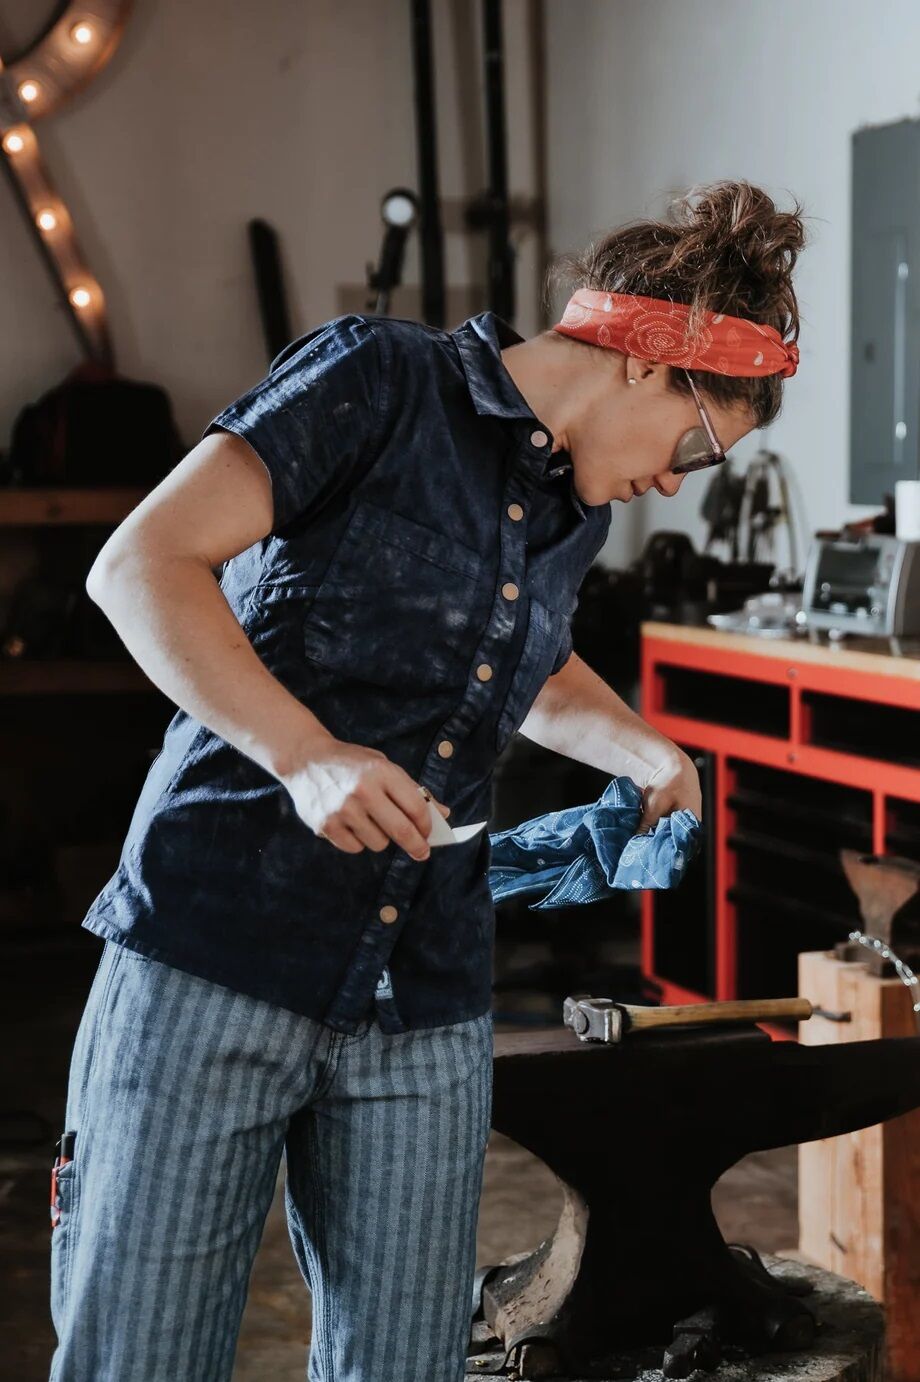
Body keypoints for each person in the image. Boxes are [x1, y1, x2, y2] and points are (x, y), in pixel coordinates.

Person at [48, 179, 805, 1381]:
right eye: (698, 444)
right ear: (649, 360)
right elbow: (140, 565)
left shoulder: (572, 511)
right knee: (139, 1355)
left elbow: (519, 652)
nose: (676, 479)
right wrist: (302, 753)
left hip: (423, 991)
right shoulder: (376, 382)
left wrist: (642, 748)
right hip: (216, 948)